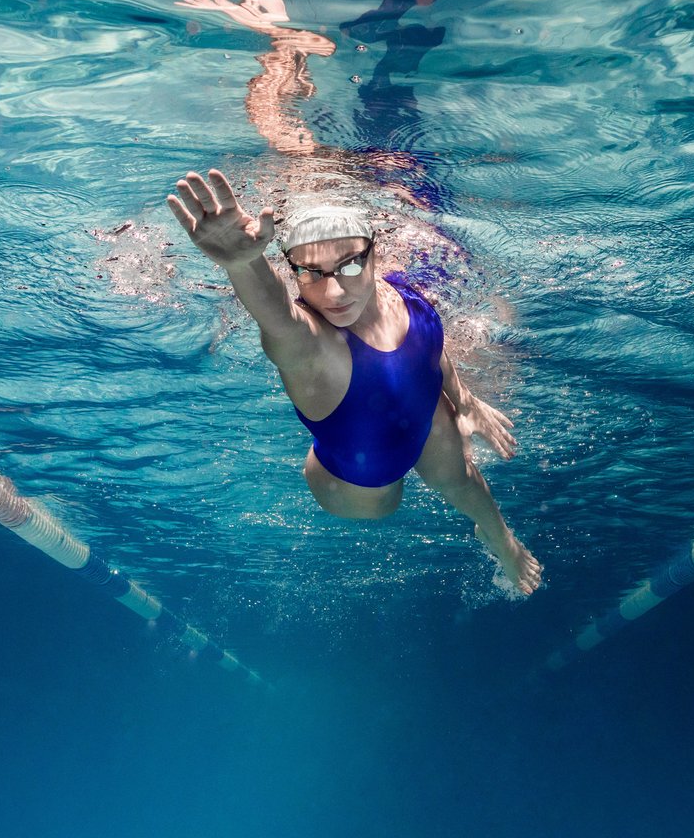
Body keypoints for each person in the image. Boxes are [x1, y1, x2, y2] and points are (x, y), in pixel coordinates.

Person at [167, 168, 542, 595]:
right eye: (309, 273)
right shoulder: (310, 346)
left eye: (348, 266)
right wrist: (245, 263)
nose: (333, 293)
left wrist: (465, 399)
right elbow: (277, 317)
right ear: (292, 271)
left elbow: (429, 351)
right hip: (353, 482)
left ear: (375, 256)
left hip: (414, 419)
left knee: (458, 475)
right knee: (384, 503)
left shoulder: (402, 293)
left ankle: (502, 539)